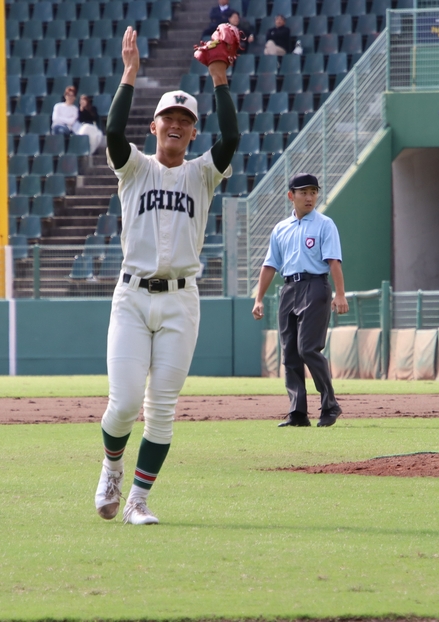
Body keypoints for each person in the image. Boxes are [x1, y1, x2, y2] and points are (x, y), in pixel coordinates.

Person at [94, 26, 239, 525]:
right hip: (132, 297)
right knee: (125, 401)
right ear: (154, 127)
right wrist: (129, 75)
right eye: (168, 118)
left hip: (181, 300)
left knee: (162, 410)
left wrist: (219, 77)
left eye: (184, 120)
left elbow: (233, 136)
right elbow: (112, 133)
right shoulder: (134, 168)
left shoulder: (203, 173)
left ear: (194, 131)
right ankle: (111, 468)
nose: (176, 124)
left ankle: (138, 499)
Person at [251, 173, 349, 427]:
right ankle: (298, 413)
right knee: (291, 354)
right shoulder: (281, 228)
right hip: (289, 289)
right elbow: (270, 264)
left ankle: (330, 405)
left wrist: (339, 294)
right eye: (303, 192)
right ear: (290, 196)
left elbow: (333, 261)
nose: (309, 197)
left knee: (308, 348)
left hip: (315, 286)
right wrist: (258, 298)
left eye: (313, 192)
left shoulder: (325, 224)